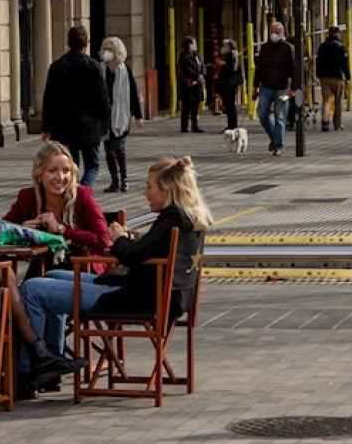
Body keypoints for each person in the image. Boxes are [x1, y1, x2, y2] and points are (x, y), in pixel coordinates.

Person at [19, 154, 212, 380]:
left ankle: (32, 368)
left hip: (134, 298)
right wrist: (129, 239)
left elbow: (133, 256)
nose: (146, 193)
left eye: (149, 187)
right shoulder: (189, 218)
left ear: (166, 190)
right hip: (166, 297)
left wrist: (119, 239)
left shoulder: (171, 220)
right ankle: (54, 358)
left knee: (32, 288)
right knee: (52, 275)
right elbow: (147, 250)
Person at [4, 143, 109, 387]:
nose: (60, 177)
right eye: (52, 171)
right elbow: (1, 230)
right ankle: (41, 365)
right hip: (42, 266)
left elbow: (103, 239)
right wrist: (20, 230)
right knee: (20, 295)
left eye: (66, 171)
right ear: (39, 173)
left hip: (81, 268)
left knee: (40, 291)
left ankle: (37, 369)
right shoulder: (28, 197)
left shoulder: (82, 195)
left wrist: (62, 229)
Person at [42, 25, 111, 187]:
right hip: (89, 127)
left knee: (70, 166)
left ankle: (73, 192)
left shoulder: (57, 67)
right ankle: (83, 192)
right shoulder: (93, 66)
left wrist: (46, 127)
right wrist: (105, 126)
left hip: (64, 127)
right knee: (92, 166)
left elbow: (49, 99)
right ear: (86, 44)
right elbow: (103, 100)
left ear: (68, 42)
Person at [101, 36, 145, 193]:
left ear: (117, 52)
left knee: (119, 148)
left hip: (122, 116)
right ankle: (115, 180)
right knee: (109, 149)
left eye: (110, 50)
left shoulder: (125, 70)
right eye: (105, 49)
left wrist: (138, 116)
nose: (106, 53)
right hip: (106, 116)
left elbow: (133, 94)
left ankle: (124, 179)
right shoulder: (102, 69)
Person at [255, 21, 297, 155]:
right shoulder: (264, 48)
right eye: (272, 31)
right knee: (262, 114)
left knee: (280, 117)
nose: (274, 34)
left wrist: (293, 88)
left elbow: (294, 69)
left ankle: (278, 145)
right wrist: (255, 86)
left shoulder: (288, 48)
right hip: (266, 86)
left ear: (282, 33)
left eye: (277, 32)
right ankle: (275, 138)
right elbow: (259, 68)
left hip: (282, 87)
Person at [316, 26, 352, 132]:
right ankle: (337, 124)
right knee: (337, 101)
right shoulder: (341, 47)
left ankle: (325, 122)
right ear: (337, 34)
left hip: (324, 78)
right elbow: (345, 64)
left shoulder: (322, 46)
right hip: (337, 77)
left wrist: (318, 75)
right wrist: (348, 77)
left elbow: (318, 61)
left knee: (326, 100)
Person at [213, 38, 244, 132]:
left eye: (224, 46)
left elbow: (233, 69)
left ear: (230, 47)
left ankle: (232, 126)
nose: (222, 48)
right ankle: (231, 125)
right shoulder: (228, 56)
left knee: (230, 106)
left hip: (229, 84)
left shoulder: (232, 55)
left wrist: (223, 64)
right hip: (226, 84)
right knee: (228, 105)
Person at [178, 38, 206, 133]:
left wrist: (202, 75)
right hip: (188, 84)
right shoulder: (184, 57)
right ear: (189, 45)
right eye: (194, 43)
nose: (195, 45)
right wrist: (197, 76)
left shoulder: (197, 55)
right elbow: (187, 69)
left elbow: (203, 66)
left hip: (198, 84)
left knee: (195, 105)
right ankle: (184, 127)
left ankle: (195, 126)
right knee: (186, 106)